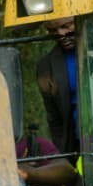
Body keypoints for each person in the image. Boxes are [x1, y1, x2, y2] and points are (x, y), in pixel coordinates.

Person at [36, 16, 80, 157]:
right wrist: (62, 154)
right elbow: (54, 118)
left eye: (66, 26)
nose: (60, 34)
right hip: (78, 144)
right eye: (52, 30)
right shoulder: (46, 67)